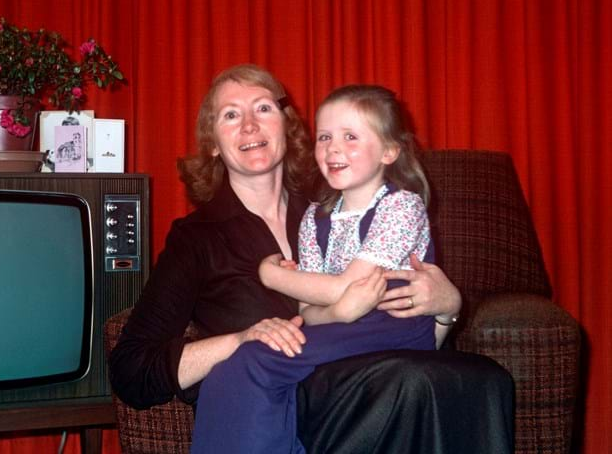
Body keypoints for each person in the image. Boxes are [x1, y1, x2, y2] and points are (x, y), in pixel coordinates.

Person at [108, 64, 514, 454]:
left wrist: (449, 308)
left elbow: (411, 336)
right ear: (212, 142)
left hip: (372, 387)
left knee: (460, 380)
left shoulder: (331, 211)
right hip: (278, 412)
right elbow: (132, 370)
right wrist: (240, 340)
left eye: (263, 108)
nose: (249, 125)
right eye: (231, 115)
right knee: (412, 386)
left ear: (288, 126)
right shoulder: (196, 238)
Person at [191, 84, 439, 452]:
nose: (333, 148)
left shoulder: (402, 207)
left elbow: (350, 286)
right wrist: (338, 310)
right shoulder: (315, 217)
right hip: (346, 325)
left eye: (350, 136)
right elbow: (309, 311)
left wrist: (272, 275)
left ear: (389, 151)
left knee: (260, 359)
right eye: (324, 137)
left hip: (397, 327)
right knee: (228, 369)